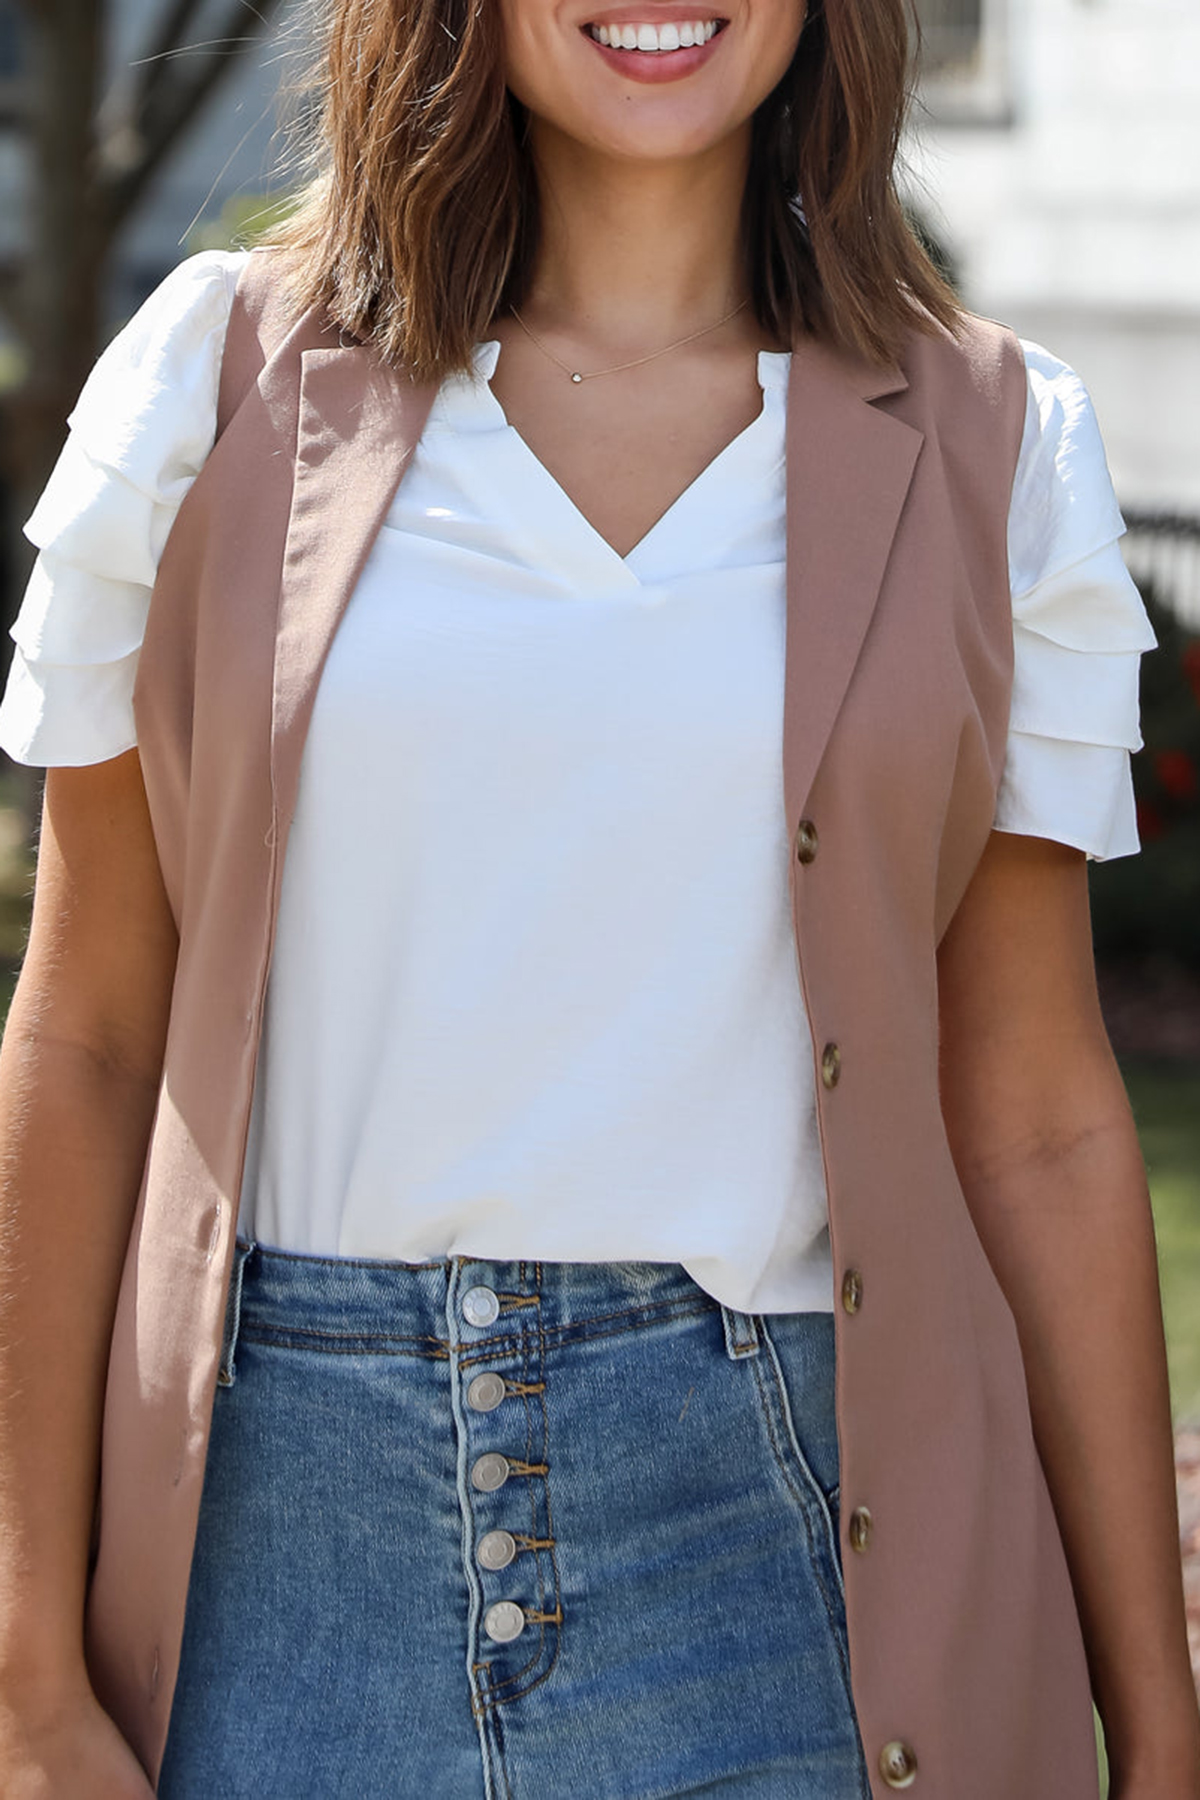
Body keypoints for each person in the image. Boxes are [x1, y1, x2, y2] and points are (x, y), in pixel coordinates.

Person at [1, 0, 1198, 1793]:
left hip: (792, 1575)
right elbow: (87, 1036)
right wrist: (22, 1679)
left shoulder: (996, 447)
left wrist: (1163, 1738)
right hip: (273, 1572)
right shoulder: (215, 387)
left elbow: (1037, 1120)